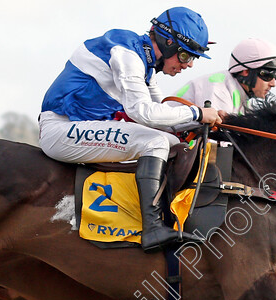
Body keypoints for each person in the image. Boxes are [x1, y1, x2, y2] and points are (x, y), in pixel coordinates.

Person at [39, 7, 224, 252]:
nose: (188, 65)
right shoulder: (127, 53)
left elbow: (163, 117)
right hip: (60, 130)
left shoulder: (145, 65)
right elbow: (143, 112)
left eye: (193, 59)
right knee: (155, 142)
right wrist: (198, 113)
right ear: (169, 43)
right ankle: (153, 228)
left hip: (78, 126)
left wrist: (204, 120)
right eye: (185, 56)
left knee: (167, 139)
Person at [175, 38, 276, 114]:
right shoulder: (218, 89)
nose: (273, 84)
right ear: (246, 71)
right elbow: (216, 142)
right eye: (268, 75)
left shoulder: (244, 97)